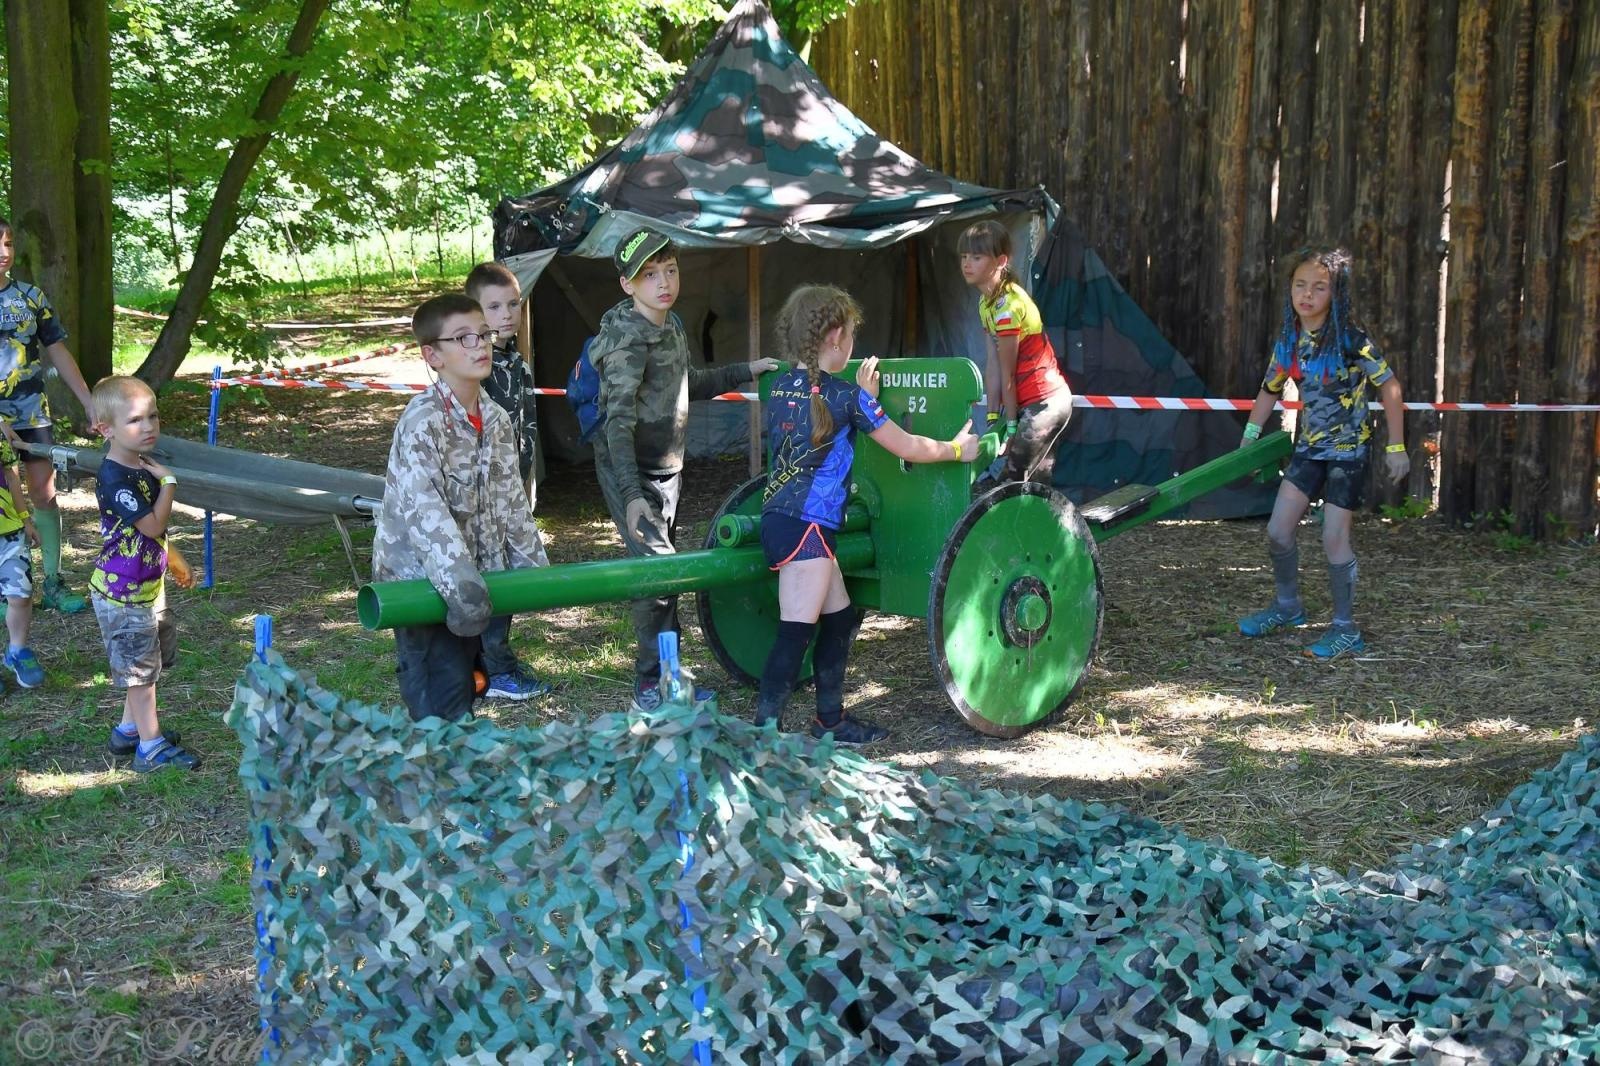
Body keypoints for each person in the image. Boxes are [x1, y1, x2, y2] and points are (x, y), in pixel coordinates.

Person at [753, 285, 979, 744]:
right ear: (836, 337)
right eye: (852, 333)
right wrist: (958, 448)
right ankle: (764, 738)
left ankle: (830, 722)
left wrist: (861, 397)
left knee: (838, 618)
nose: (853, 342)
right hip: (808, 530)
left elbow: (816, 405)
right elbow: (908, 446)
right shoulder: (846, 399)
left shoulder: (777, 388)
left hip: (784, 518)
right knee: (795, 632)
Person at [589, 227, 778, 712]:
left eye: (670, 270)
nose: (663, 282)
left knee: (667, 569)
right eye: (649, 275)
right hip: (631, 470)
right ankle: (651, 682)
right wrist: (631, 494)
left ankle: (671, 675)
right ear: (628, 285)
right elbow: (617, 424)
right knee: (656, 575)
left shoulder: (669, 325)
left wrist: (745, 370)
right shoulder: (627, 342)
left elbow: (687, 383)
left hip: (667, 467)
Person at [373, 294, 549, 723]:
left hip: (471, 585)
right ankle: (435, 778)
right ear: (432, 355)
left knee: (464, 691)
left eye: (484, 335)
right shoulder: (423, 422)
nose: (480, 345)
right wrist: (464, 590)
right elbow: (426, 517)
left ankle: (454, 772)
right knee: (438, 703)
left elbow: (512, 505)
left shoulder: (495, 418)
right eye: (463, 338)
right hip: (423, 589)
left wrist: (538, 577)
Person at [1236, 246, 1409, 661]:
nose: (1307, 294)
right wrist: (1250, 436)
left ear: (1336, 294)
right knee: (1277, 531)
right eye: (1300, 285)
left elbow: (1389, 387)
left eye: (1319, 287)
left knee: (1334, 538)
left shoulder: (1351, 339)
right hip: (1309, 448)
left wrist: (1397, 446)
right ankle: (1288, 607)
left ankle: (1346, 629)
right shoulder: (1289, 340)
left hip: (1348, 452)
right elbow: (1270, 388)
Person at [88, 375, 200, 772]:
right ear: (106, 429)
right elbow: (151, 525)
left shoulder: (139, 467)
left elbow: (153, 536)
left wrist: (175, 557)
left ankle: (129, 730)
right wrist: (169, 483)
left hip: (147, 587)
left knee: (146, 663)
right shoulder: (117, 477)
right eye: (135, 420)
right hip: (122, 593)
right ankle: (150, 749)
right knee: (139, 672)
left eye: (153, 416)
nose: (149, 426)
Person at [462, 261, 551, 701]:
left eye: (513, 304)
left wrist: (522, 489)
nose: (506, 314)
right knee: (488, 583)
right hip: (478, 502)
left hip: (511, 497)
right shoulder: (473, 369)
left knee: (510, 582)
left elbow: (527, 433)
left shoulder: (517, 366)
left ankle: (489, 663)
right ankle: (494, 671)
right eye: (494, 306)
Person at [0, 216, 96, 613]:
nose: (3, 254)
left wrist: (90, 402)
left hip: (32, 414)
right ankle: (9, 587)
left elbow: (57, 349)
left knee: (44, 493)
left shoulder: (31, 296)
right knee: (4, 502)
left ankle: (53, 581)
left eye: (7, 244)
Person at [958, 219, 1073, 491]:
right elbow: (993, 366)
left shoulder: (1008, 306)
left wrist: (1009, 427)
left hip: (1046, 403)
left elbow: (1008, 374)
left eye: (976, 257)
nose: (967, 263)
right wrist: (991, 418)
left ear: (1001, 261)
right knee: (1036, 488)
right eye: (964, 256)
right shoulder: (985, 303)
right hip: (1030, 405)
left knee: (1008, 484)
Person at [0, 430, 44, 690]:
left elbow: (11, 476)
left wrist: (25, 519)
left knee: (21, 594)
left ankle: (17, 650)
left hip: (10, 533)